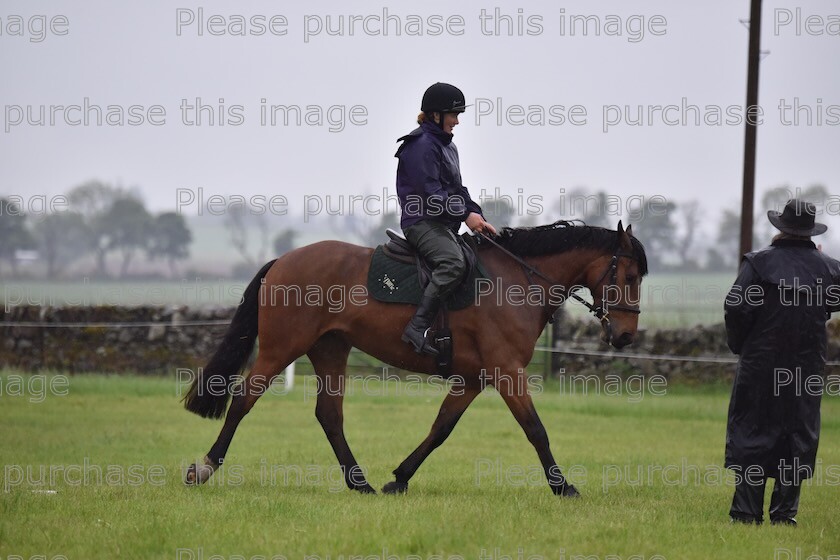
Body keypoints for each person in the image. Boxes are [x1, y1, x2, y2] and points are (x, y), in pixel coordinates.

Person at [724, 199, 840, 525]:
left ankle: (746, 513)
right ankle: (784, 515)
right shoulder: (829, 268)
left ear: (780, 228)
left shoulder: (758, 264)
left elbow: (735, 307)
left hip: (759, 366)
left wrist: (740, 345)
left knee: (752, 431)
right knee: (797, 435)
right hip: (805, 371)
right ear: (809, 232)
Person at [395, 82, 497, 356]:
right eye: (454, 115)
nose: (457, 121)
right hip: (421, 222)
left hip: (443, 223)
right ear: (436, 115)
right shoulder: (420, 146)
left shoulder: (448, 147)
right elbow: (431, 194)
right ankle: (416, 328)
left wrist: (477, 216)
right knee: (453, 262)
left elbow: (458, 191)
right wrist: (465, 215)